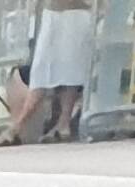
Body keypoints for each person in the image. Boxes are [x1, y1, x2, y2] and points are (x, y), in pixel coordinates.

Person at [28, 0, 96, 135]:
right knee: (41, 71)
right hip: (52, 14)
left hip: (76, 14)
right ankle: (62, 123)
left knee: (69, 72)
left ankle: (18, 126)